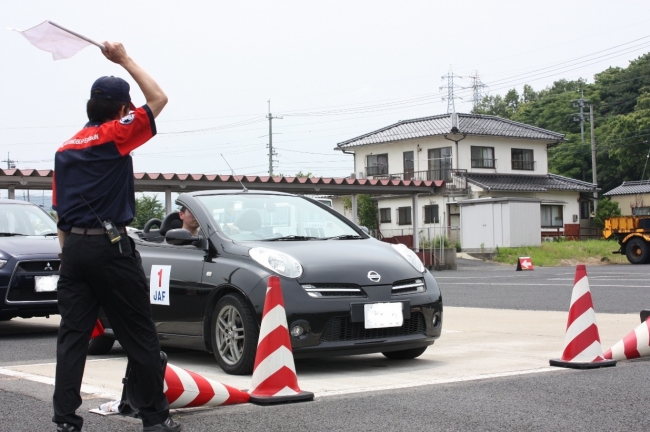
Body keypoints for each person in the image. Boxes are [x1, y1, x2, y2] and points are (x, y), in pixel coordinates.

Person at [51, 42, 180, 432]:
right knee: (137, 332)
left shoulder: (65, 148)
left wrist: (72, 253)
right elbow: (159, 98)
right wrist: (123, 59)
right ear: (123, 110)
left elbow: (60, 213)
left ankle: (65, 420)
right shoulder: (115, 135)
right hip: (111, 247)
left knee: (72, 336)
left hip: (73, 248)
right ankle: (156, 419)